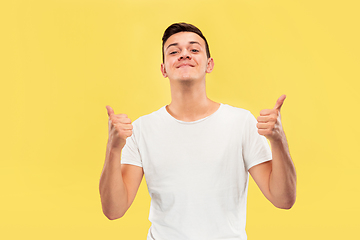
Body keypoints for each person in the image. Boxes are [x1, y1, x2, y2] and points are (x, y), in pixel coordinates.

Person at [99, 22, 296, 240]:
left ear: (209, 64)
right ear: (163, 69)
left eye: (194, 49)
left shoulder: (240, 122)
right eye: (174, 51)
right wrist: (113, 149)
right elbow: (114, 210)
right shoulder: (142, 129)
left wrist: (278, 140)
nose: (184, 55)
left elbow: (283, 200)